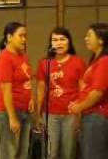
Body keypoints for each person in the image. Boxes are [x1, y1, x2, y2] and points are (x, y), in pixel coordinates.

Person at [36, 27, 86, 159]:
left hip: (71, 114)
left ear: (69, 42)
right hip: (50, 114)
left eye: (62, 39)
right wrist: (38, 114)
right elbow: (40, 89)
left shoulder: (78, 62)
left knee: (68, 152)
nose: (58, 43)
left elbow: (83, 90)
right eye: (55, 40)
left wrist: (80, 115)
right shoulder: (44, 63)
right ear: (50, 44)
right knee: (51, 152)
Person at [68, 23, 108, 159]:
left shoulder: (104, 61)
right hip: (89, 115)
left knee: (93, 154)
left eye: (89, 36)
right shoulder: (95, 61)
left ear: (101, 40)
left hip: (97, 116)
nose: (86, 39)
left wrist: (79, 107)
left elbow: (98, 93)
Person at [0, 22, 34, 159]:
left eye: (25, 36)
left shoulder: (23, 56)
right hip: (9, 112)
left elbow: (28, 80)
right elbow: (5, 89)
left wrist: (31, 99)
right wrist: (12, 117)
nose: (24, 39)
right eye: (21, 36)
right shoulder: (4, 58)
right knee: (8, 152)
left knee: (22, 152)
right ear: (9, 37)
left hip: (25, 111)